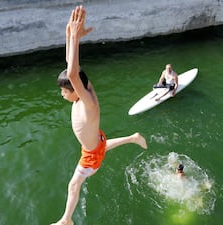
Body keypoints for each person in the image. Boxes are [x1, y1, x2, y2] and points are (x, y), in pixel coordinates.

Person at [52, 5, 148, 225]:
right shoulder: (86, 90)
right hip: (97, 142)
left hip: (91, 156)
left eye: (63, 91)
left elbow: (73, 73)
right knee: (103, 146)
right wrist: (70, 34)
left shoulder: (87, 104)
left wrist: (75, 38)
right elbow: (72, 70)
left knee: (73, 185)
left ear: (75, 89)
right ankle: (133, 137)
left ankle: (66, 220)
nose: (62, 94)